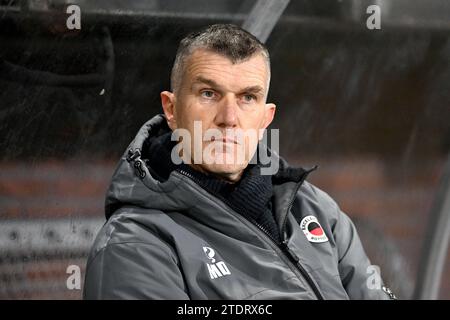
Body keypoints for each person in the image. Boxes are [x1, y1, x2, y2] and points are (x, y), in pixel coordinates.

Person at [83, 24, 396, 300]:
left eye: (247, 98)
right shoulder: (134, 246)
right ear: (172, 109)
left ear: (265, 117)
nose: (229, 119)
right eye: (208, 93)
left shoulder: (315, 210)